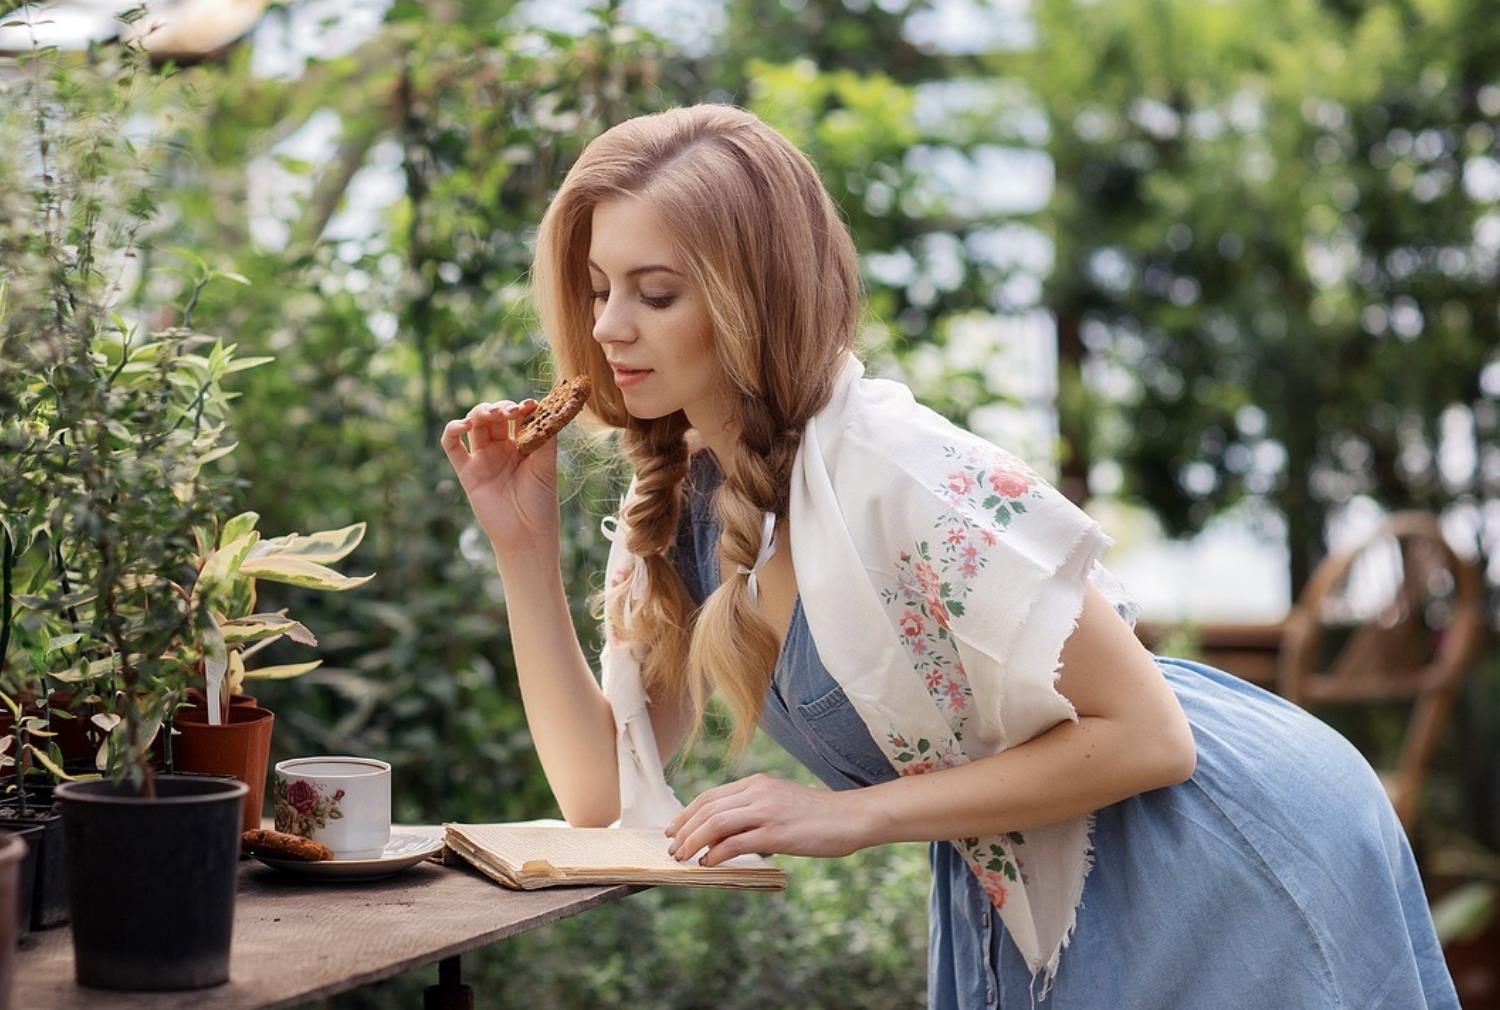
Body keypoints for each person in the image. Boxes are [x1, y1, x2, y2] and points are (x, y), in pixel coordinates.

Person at [440, 103, 1459, 1010]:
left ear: (753, 297)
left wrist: (848, 816)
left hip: (1206, 853)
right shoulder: (689, 503)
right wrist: (521, 548)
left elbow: (1153, 735)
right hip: (1033, 878)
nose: (609, 326)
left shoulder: (899, 475)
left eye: (655, 293)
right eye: (598, 287)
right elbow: (601, 796)